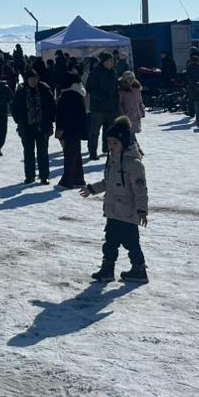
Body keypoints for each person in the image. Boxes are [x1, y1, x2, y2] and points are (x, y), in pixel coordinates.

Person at [81, 117, 149, 283]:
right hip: (113, 211)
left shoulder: (134, 164)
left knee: (131, 243)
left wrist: (142, 211)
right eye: (109, 142)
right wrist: (92, 189)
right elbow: (108, 183)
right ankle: (107, 270)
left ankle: (139, 269)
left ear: (124, 143)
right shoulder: (112, 160)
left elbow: (140, 190)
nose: (111, 146)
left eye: (115, 143)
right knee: (110, 243)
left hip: (127, 213)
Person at [11, 68, 55, 184]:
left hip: (43, 126)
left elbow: (52, 106)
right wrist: (19, 121)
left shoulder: (45, 90)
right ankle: (30, 176)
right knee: (28, 152)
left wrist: (50, 121)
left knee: (43, 152)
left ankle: (44, 176)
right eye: (31, 79)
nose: (33, 81)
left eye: (35, 78)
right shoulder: (21, 92)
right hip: (27, 127)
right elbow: (14, 108)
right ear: (27, 80)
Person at [54, 72, 88, 190]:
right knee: (76, 155)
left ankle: (66, 181)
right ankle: (78, 179)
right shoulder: (78, 93)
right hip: (77, 129)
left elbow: (65, 115)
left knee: (69, 155)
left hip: (69, 130)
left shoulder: (68, 95)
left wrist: (60, 129)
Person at [86, 52, 121, 160]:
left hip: (111, 108)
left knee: (109, 131)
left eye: (113, 61)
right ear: (104, 62)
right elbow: (90, 88)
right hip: (98, 108)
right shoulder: (95, 73)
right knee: (94, 132)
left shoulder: (113, 73)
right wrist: (102, 97)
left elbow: (115, 89)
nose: (112, 62)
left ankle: (106, 149)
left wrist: (116, 101)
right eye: (110, 61)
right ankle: (92, 152)